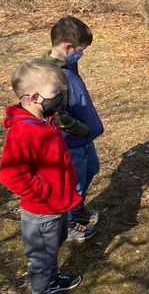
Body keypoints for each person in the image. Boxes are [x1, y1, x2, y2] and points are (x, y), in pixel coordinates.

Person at [0, 59, 84, 293]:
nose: (59, 97)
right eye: (55, 92)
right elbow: (11, 175)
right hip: (41, 212)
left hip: (57, 206)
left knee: (53, 249)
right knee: (41, 260)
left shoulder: (44, 118)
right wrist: (45, 192)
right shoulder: (23, 131)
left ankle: (53, 281)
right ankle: (42, 289)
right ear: (33, 97)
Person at [45, 16, 104, 241]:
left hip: (84, 138)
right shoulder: (53, 75)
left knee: (91, 168)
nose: (81, 54)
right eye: (80, 50)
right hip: (71, 141)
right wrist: (81, 130)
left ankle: (78, 208)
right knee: (73, 183)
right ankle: (68, 224)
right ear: (68, 47)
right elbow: (58, 115)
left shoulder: (68, 64)